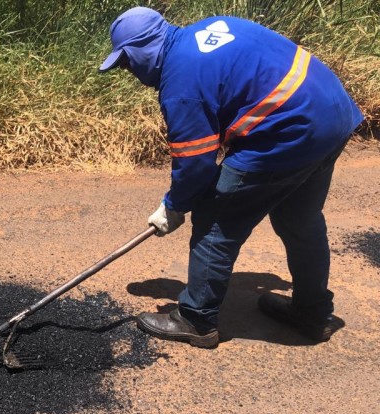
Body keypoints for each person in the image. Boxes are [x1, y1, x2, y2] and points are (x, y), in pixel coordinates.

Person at [98, 7, 364, 348]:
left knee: (215, 219)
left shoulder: (181, 81)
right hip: (332, 114)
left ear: (142, 49)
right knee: (300, 219)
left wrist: (174, 206)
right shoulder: (213, 27)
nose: (128, 71)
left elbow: (195, 163)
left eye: (126, 61)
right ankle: (312, 314)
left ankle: (196, 320)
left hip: (290, 130)